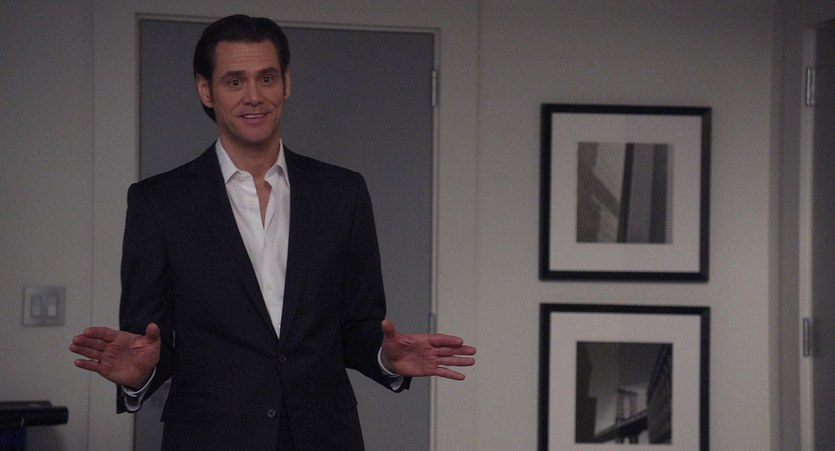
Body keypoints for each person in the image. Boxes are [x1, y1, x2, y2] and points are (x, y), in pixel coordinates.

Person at [69, 14, 475, 451]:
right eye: (234, 81)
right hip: (209, 437)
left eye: (266, 78)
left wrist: (385, 357)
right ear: (205, 90)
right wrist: (138, 376)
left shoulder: (343, 192)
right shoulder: (158, 202)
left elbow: (358, 325)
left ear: (286, 82)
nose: (254, 96)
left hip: (325, 436)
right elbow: (146, 340)